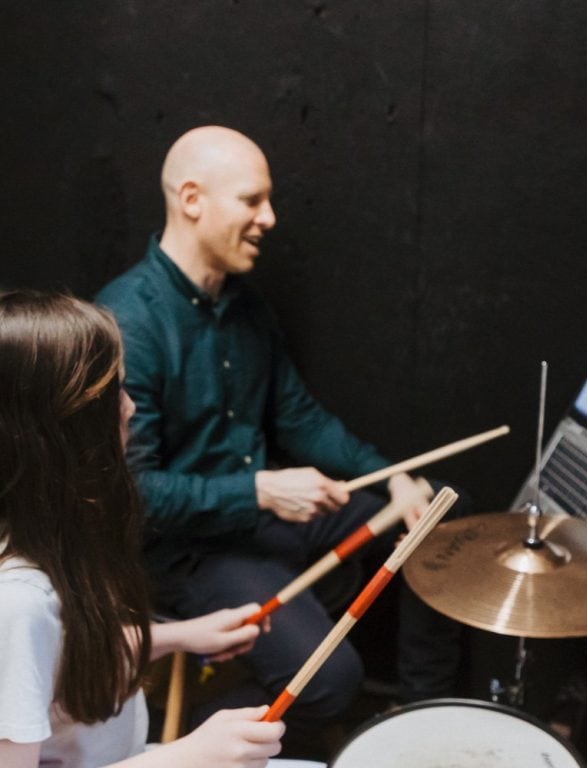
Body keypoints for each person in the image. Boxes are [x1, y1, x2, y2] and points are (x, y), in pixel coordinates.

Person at [95, 125, 466, 744]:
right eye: (251, 200)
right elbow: (131, 497)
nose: (269, 218)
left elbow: (300, 419)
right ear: (192, 200)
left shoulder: (246, 307)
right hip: (182, 553)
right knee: (330, 681)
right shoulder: (127, 321)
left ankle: (420, 721)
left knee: (434, 522)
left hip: (256, 522)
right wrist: (261, 492)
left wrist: (398, 475)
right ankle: (190, 743)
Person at [0, 291, 285, 768]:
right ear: (59, 430)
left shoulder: (51, 543)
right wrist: (189, 756)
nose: (130, 408)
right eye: (114, 393)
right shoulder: (18, 602)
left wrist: (182, 635)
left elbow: (62, 655)